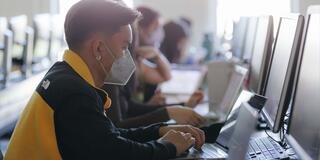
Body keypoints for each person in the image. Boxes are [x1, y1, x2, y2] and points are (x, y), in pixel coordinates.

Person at [4, 1, 205, 159]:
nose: (127, 56)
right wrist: (168, 146)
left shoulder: (64, 75)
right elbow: (116, 153)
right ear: (99, 48)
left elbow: (107, 137)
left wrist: (159, 131)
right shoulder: (75, 93)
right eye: (124, 47)